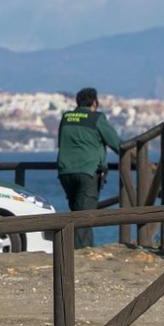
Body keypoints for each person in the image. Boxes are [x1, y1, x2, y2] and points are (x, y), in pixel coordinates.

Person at [57, 88, 122, 249]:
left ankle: (71, 249)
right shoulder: (96, 118)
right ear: (95, 103)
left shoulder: (66, 117)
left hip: (65, 172)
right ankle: (81, 253)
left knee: (76, 212)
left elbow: (61, 142)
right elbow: (118, 144)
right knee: (85, 216)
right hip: (88, 171)